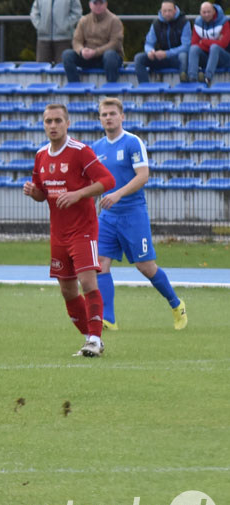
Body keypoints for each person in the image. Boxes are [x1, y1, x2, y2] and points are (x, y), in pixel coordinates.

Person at [23, 104, 115, 357]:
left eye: (57, 121)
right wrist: (34, 193)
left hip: (83, 229)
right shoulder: (41, 155)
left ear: (67, 123)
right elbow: (43, 194)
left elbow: (108, 181)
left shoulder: (80, 151)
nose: (52, 126)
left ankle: (96, 338)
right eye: (48, 121)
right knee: (67, 290)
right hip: (58, 233)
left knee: (87, 281)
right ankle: (90, 339)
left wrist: (78, 194)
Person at [92, 98, 187, 331]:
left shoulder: (133, 142)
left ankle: (176, 304)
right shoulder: (96, 148)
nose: (108, 117)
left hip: (133, 214)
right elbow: (96, 183)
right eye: (104, 114)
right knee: (101, 263)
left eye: (113, 113)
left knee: (145, 267)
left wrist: (118, 195)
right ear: (100, 118)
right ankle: (108, 319)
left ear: (122, 116)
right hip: (107, 217)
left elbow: (143, 175)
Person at [62, 0, 123, 83]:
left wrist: (95, 52)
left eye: (101, 3)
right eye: (95, 3)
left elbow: (115, 43)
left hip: (107, 58)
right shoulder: (83, 20)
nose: (98, 6)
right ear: (90, 5)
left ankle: (111, 87)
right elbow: (76, 40)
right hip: (88, 57)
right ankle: (75, 86)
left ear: (106, 4)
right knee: (67, 55)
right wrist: (81, 51)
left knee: (110, 55)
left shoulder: (115, 20)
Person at [133, 2, 190, 84]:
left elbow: (186, 46)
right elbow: (149, 43)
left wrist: (167, 53)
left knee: (183, 56)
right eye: (164, 11)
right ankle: (145, 87)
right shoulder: (156, 24)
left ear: (175, 10)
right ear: (161, 11)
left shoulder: (184, 22)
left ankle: (185, 85)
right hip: (161, 58)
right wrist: (150, 51)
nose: (167, 13)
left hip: (177, 58)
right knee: (138, 58)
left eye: (170, 11)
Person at [187, 2, 230, 87]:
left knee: (214, 48)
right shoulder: (198, 23)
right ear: (200, 12)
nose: (206, 14)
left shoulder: (224, 22)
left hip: (224, 58)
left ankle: (207, 78)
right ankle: (192, 78)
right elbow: (194, 43)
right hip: (209, 57)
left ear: (214, 11)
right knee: (194, 49)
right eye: (204, 12)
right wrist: (215, 41)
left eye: (209, 12)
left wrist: (203, 41)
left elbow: (223, 44)